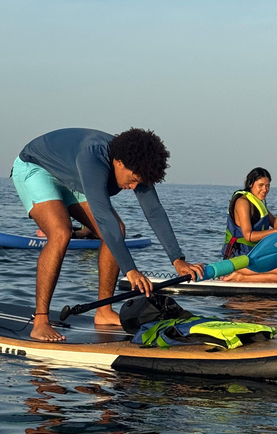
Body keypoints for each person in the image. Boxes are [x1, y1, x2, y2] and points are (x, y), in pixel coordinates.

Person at [12, 127, 204, 342]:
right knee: (61, 232)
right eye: (132, 180)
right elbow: (104, 219)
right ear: (119, 162)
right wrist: (130, 270)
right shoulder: (92, 158)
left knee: (118, 230)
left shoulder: (139, 164)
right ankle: (40, 321)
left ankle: (103, 311)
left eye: (138, 183)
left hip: (70, 175)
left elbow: (154, 211)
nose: (133, 187)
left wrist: (177, 259)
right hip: (36, 167)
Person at [220, 167, 277, 282]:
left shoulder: (258, 203)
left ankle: (241, 277)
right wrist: (276, 231)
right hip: (238, 259)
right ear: (250, 184)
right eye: (261, 185)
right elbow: (248, 236)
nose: (265, 189)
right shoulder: (242, 202)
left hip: (253, 256)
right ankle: (237, 275)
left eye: (268, 186)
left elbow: (276, 224)